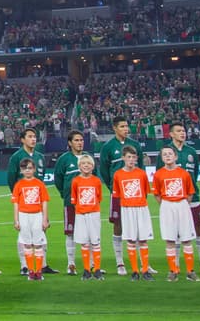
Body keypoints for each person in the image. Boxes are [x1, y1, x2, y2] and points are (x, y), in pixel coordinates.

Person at [98, 118, 143, 277]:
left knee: (138, 227)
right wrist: (113, 187)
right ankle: (120, 262)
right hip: (118, 193)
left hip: (135, 193)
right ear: (115, 128)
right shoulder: (108, 147)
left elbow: (141, 168)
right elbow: (104, 170)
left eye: (127, 126)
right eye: (122, 126)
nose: (126, 129)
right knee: (118, 225)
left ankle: (143, 263)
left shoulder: (135, 145)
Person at [168, 121, 200, 274]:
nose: (182, 133)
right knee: (176, 232)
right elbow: (161, 173)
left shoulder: (191, 151)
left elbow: (195, 173)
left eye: (183, 131)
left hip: (193, 197)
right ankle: (176, 265)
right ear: (171, 134)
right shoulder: (167, 151)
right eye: (179, 131)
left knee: (199, 229)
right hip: (175, 199)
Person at [6, 127, 52, 275]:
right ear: (22, 139)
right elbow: (11, 178)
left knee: (41, 232)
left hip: (38, 203)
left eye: (34, 137)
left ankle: (42, 265)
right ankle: (24, 265)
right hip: (24, 204)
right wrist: (18, 197)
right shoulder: (16, 157)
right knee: (23, 235)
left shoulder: (40, 156)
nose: (33, 139)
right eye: (30, 136)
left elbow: (41, 178)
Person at [152, 146, 198, 282]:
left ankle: (190, 271)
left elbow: (190, 193)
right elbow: (157, 194)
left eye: (170, 154)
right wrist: (167, 205)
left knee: (187, 239)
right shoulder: (158, 174)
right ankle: (173, 271)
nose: (167, 156)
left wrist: (182, 203)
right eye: (164, 154)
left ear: (175, 156)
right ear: (162, 158)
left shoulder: (184, 174)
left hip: (182, 204)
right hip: (167, 205)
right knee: (170, 239)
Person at [112, 145, 152, 281]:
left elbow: (145, 192)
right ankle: (135, 271)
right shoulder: (118, 174)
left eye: (133, 157)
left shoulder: (141, 173)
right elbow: (117, 194)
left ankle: (145, 270)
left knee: (143, 239)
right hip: (127, 209)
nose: (131, 160)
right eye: (128, 157)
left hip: (141, 208)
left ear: (136, 159)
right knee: (130, 240)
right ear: (123, 158)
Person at [53, 130, 86, 275]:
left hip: (88, 203)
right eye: (76, 140)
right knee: (70, 232)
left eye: (81, 140)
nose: (80, 143)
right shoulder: (64, 159)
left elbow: (95, 177)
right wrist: (65, 193)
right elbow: (58, 179)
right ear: (70, 143)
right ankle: (71, 264)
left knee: (89, 233)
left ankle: (91, 264)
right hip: (70, 202)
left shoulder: (88, 158)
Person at [12, 158, 49, 281]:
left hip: (37, 215)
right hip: (23, 215)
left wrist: (45, 219)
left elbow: (44, 202)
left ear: (34, 169)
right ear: (21, 170)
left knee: (38, 244)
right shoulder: (19, 185)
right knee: (27, 244)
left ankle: (38, 271)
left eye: (29, 168)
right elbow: (16, 203)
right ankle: (31, 271)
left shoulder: (39, 184)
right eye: (24, 168)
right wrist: (16, 220)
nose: (27, 170)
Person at [70, 154, 104, 280]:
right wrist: (81, 210)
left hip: (94, 214)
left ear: (92, 166)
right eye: (83, 164)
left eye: (89, 164)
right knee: (84, 242)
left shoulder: (96, 181)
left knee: (95, 242)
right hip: (80, 215)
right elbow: (74, 199)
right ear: (79, 166)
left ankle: (97, 269)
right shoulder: (76, 181)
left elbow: (98, 198)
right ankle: (86, 270)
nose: (86, 166)